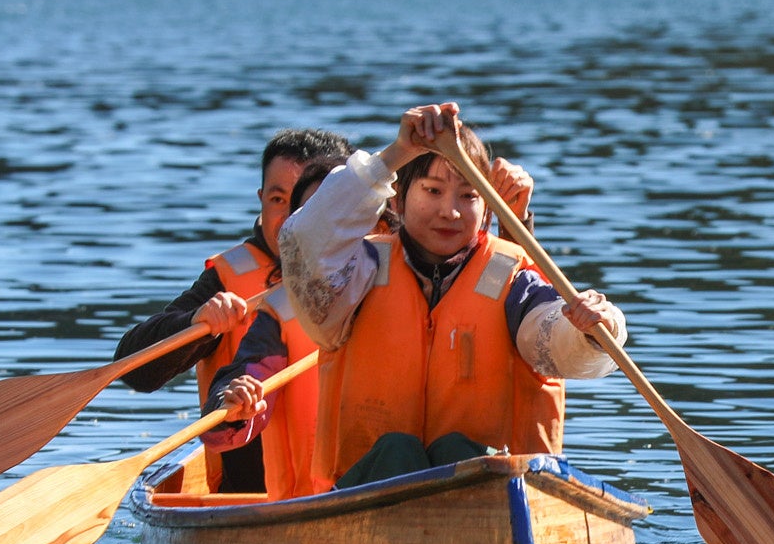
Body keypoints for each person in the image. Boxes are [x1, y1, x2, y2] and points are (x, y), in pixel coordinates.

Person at [225, 102, 624, 490]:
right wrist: (397, 153)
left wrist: (591, 330)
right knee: (398, 450)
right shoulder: (356, 274)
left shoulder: (512, 279)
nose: (450, 211)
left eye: (468, 196)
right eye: (433, 190)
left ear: (487, 211)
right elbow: (305, 238)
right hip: (368, 493)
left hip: (490, 497)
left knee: (460, 452)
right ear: (397, 200)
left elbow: (552, 338)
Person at [113, 127, 352, 490]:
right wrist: (196, 322)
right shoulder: (229, 280)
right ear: (260, 200)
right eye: (278, 200)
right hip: (250, 491)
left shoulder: (377, 268)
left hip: (353, 479)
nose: (292, 219)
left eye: (311, 204)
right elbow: (134, 370)